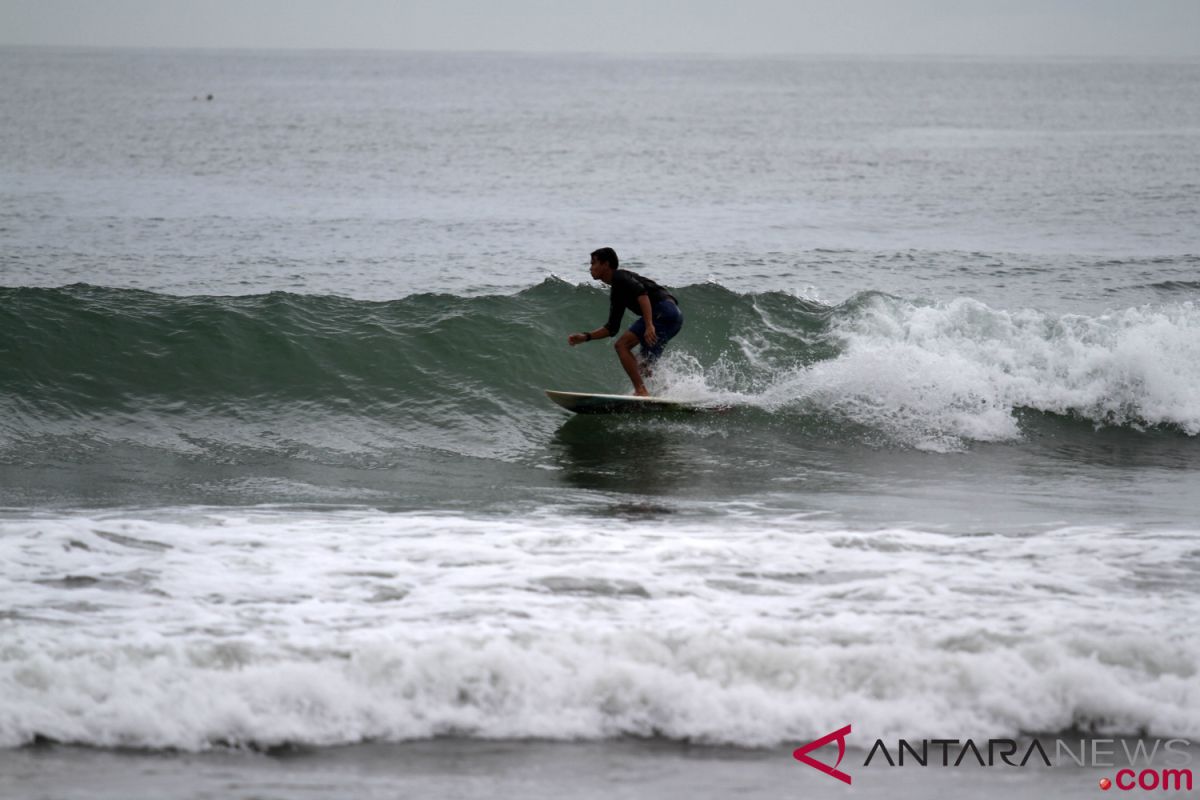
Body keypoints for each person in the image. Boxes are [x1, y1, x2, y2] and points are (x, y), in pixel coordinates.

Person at [567, 247, 683, 396]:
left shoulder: (620, 277)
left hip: (663, 311)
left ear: (606, 264)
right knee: (643, 365)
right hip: (673, 317)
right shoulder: (617, 291)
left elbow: (642, 294)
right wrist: (586, 337)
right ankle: (668, 394)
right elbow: (612, 328)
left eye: (594, 263)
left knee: (622, 345)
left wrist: (649, 325)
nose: (590, 268)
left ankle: (641, 391)